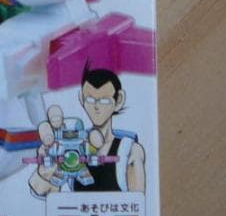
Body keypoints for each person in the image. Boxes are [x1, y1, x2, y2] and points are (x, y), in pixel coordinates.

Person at [29, 65, 145, 195]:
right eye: (90, 99)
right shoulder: (71, 143)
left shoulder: (129, 150)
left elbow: (138, 201)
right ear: (82, 98)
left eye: (104, 100)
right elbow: (42, 192)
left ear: (118, 100)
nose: (96, 106)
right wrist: (45, 169)